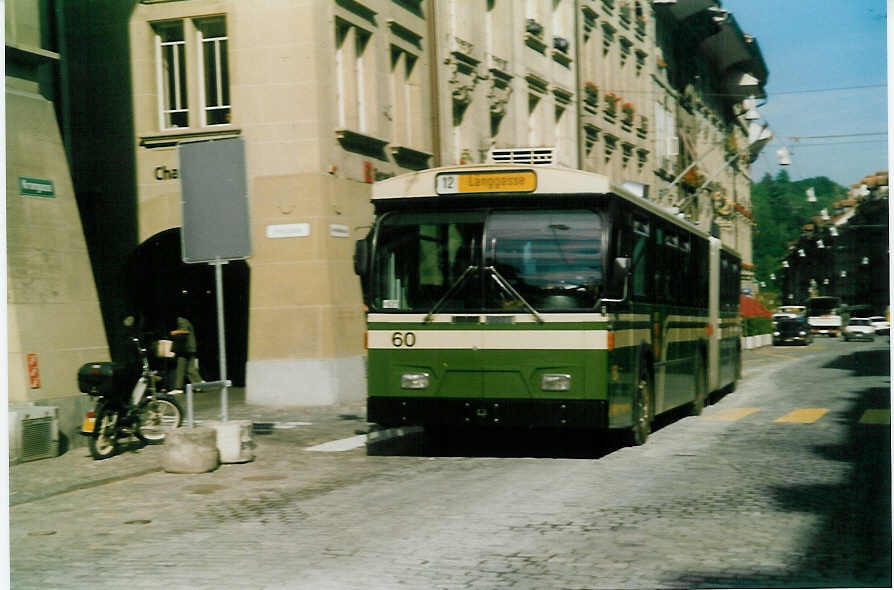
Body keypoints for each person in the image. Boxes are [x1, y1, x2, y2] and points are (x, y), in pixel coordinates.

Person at [170, 316, 204, 391]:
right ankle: (199, 384)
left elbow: (184, 331)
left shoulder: (181, 320)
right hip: (188, 348)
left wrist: (174, 333)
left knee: (184, 368)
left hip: (186, 349)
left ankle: (199, 384)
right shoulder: (185, 321)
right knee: (187, 368)